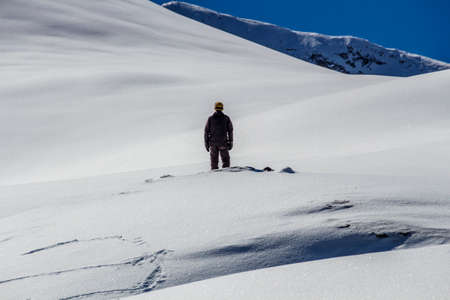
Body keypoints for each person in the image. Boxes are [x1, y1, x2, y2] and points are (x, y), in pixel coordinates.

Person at [204, 101, 234, 170]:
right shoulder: (226, 118)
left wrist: (206, 143)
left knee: (214, 162)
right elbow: (230, 131)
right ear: (222, 108)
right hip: (223, 143)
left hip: (213, 144)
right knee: (226, 161)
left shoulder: (210, 119)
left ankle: (214, 176)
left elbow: (206, 132)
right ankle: (225, 175)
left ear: (215, 108)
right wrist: (231, 141)